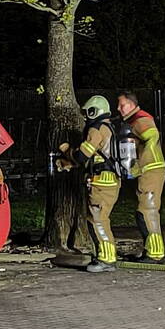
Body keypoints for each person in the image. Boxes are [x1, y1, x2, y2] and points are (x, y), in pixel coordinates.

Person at [55, 95, 120, 273]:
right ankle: (107, 256)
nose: (85, 117)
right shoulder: (109, 128)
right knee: (100, 219)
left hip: (102, 183)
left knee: (98, 220)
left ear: (95, 111)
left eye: (88, 112)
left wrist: (67, 151)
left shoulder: (96, 130)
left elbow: (82, 155)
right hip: (108, 181)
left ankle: (106, 259)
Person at [116, 91, 165, 263]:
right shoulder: (132, 121)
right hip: (148, 171)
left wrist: (144, 148)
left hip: (151, 170)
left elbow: (151, 134)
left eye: (122, 105)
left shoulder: (140, 119)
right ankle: (151, 250)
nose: (118, 109)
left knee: (147, 211)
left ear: (131, 104)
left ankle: (155, 253)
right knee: (144, 211)